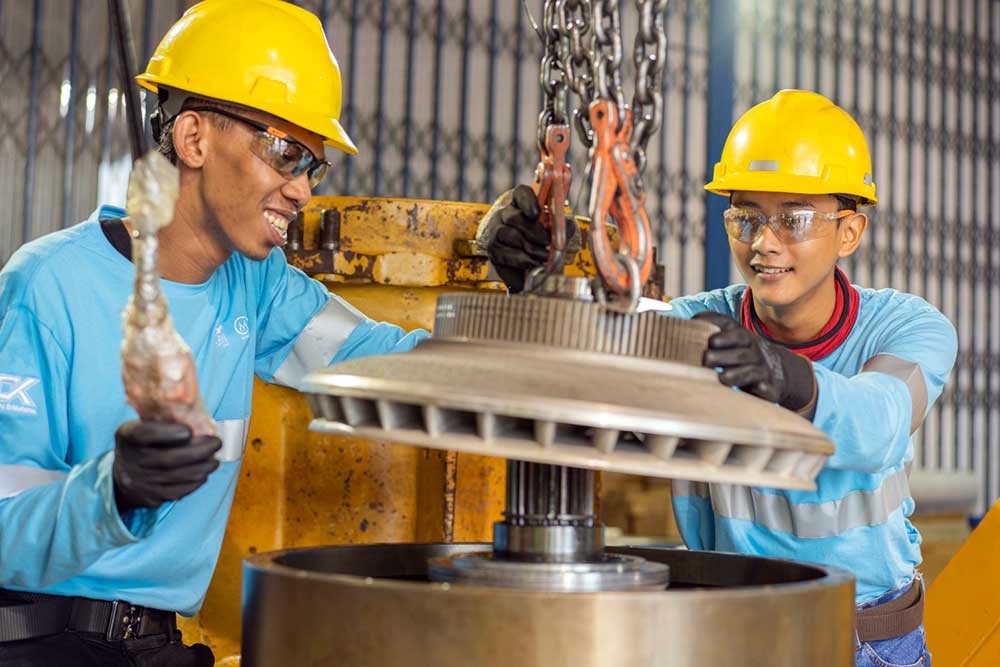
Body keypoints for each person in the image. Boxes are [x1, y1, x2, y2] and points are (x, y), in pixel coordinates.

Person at [0, 1, 525, 664]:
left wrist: (529, 293)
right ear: (193, 139)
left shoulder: (259, 288)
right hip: (41, 643)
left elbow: (390, 367)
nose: (302, 189)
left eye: (314, 165)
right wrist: (116, 489)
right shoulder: (51, 285)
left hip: (158, 645)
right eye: (285, 153)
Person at [488, 89, 957, 666]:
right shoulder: (696, 323)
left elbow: (881, 422)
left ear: (850, 232)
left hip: (866, 642)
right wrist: (533, 284)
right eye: (747, 217)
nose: (764, 242)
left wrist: (790, 379)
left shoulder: (908, 327)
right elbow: (596, 358)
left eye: (794, 218)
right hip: (731, 633)